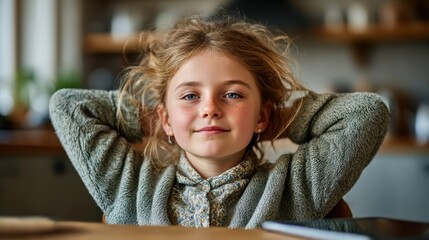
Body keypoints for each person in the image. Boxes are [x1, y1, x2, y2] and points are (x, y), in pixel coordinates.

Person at [49, 14, 390, 229]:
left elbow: (367, 113)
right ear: (164, 117)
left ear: (262, 115)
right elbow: (68, 106)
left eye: (232, 95)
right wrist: (154, 120)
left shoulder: (297, 186)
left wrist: (278, 120)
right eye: (190, 96)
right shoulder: (130, 184)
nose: (209, 109)